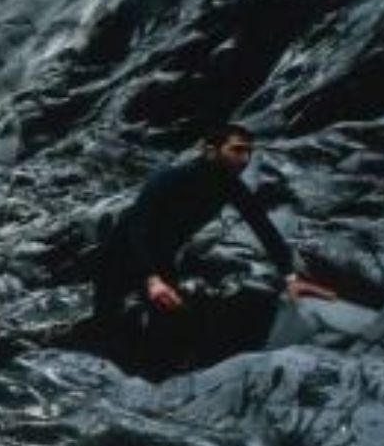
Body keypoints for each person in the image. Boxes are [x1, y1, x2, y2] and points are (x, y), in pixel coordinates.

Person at [93, 123, 335, 330]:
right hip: (122, 255)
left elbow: (263, 227)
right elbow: (137, 231)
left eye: (249, 152)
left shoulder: (229, 185)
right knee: (106, 322)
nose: (245, 159)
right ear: (210, 151)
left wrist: (290, 277)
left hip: (162, 257)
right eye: (237, 150)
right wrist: (152, 279)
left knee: (171, 322)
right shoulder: (168, 178)